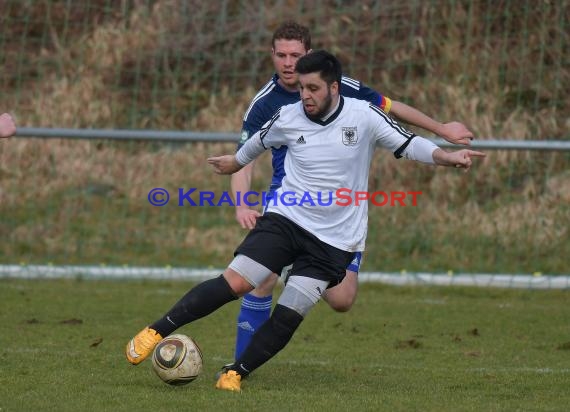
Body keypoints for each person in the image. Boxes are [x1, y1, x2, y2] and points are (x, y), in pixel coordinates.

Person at [126, 50, 485, 393]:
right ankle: (156, 331)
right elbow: (257, 143)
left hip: (334, 239)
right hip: (287, 219)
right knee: (236, 281)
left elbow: (409, 144)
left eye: (313, 88)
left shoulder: (364, 116)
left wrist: (447, 157)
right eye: (301, 88)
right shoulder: (288, 116)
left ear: (333, 87)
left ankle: (235, 373)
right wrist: (235, 163)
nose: (305, 96)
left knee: (290, 312)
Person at [229, 20, 474, 362]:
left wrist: (440, 128)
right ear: (271, 55)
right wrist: (242, 205)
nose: (287, 63)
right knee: (262, 278)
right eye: (281, 55)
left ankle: (296, 264)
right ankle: (238, 366)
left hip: (340, 212)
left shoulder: (338, 86)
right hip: (289, 202)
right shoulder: (264, 104)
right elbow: (244, 158)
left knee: (342, 300)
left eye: (295, 55)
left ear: (309, 55)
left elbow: (390, 106)